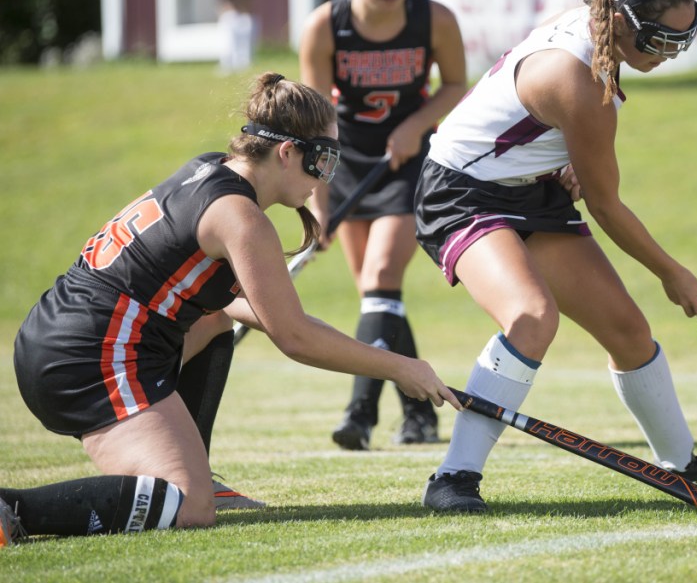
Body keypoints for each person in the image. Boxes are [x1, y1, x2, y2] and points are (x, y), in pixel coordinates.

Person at [0, 72, 460, 546]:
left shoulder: (208, 170)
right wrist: (400, 367)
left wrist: (330, 337)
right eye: (324, 159)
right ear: (287, 152)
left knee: (214, 316)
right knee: (189, 506)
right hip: (88, 355)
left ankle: (193, 468)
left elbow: (252, 310)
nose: (327, 176)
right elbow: (294, 337)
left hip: (59, 335)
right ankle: (15, 509)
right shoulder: (241, 218)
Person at [413, 0, 697, 512]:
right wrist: (671, 272)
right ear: (621, 21)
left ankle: (681, 463)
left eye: (686, 35)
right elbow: (605, 206)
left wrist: (563, 156)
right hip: (461, 192)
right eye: (660, 39)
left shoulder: (599, 29)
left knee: (627, 331)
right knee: (531, 316)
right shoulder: (582, 82)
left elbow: (555, 142)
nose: (669, 52)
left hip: (531, 189)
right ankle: (452, 478)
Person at [299, 0, 467, 451]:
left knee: (379, 278)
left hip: (411, 166)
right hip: (348, 166)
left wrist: (417, 125)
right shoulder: (326, 25)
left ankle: (360, 415)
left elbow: (457, 84)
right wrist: (318, 202)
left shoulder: (433, 19)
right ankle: (420, 415)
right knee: (379, 297)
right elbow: (317, 120)